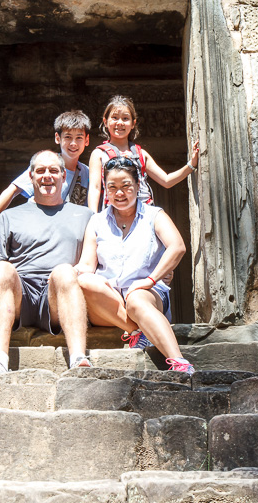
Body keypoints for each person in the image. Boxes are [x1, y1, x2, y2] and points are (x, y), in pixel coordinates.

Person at [0, 150, 93, 375]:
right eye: (40, 171)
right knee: (2, 268)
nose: (47, 176)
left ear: (63, 176)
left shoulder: (86, 216)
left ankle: (79, 360)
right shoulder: (9, 216)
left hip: (58, 294)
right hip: (20, 295)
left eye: (53, 170)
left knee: (65, 271)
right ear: (31, 176)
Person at [75, 156, 195, 374]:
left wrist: (150, 280)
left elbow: (177, 247)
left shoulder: (154, 215)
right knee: (84, 282)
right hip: (109, 302)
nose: (119, 193)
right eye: (112, 187)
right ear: (105, 189)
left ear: (138, 185)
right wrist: (68, 274)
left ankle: (180, 363)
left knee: (136, 299)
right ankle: (137, 331)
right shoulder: (97, 221)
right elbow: (86, 266)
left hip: (147, 294)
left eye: (126, 186)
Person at [0, 110, 91, 249]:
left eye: (79, 138)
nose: (73, 143)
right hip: (40, 234)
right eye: (68, 137)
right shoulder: (45, 166)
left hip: (68, 240)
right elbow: (12, 190)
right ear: (57, 138)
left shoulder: (88, 173)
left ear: (87, 140)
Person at [88, 95, 199, 213]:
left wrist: (191, 165)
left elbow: (166, 181)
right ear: (105, 122)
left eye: (125, 118)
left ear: (133, 123)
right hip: (113, 214)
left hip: (143, 214)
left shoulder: (140, 154)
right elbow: (95, 188)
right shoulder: (99, 154)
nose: (119, 123)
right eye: (115, 118)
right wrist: (93, 218)